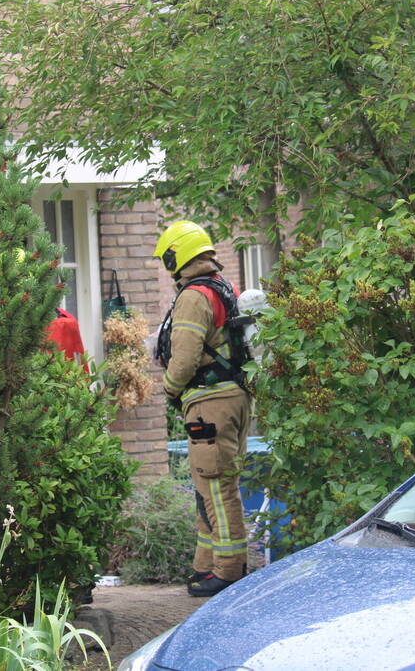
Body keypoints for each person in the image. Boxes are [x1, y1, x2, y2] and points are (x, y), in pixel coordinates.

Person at [153, 221, 251, 597]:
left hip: (210, 402)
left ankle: (227, 571)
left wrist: (169, 388)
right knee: (208, 486)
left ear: (177, 255)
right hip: (233, 398)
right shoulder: (223, 288)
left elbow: (186, 356)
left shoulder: (194, 295)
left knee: (216, 484)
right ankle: (205, 566)